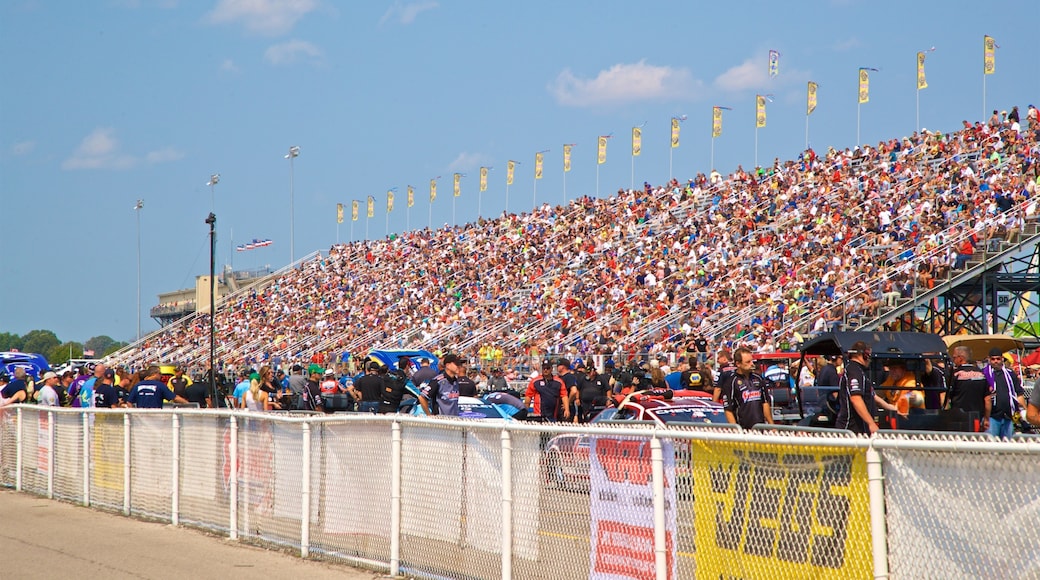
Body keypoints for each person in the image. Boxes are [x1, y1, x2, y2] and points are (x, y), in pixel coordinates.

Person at [721, 348, 774, 430]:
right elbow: (728, 410)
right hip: (743, 430)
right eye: (748, 362)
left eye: (752, 361)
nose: (752, 364)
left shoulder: (758, 378)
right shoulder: (731, 382)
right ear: (738, 364)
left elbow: (765, 403)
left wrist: (771, 426)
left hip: (760, 428)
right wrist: (735, 430)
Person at [835, 341, 881, 435]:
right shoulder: (854, 371)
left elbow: (873, 396)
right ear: (863, 355)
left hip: (859, 428)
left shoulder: (860, 371)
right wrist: (871, 423)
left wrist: (891, 407)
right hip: (850, 429)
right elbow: (855, 399)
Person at [983, 347, 1026, 438]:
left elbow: (1019, 394)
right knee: (991, 446)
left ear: (1002, 359)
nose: (996, 361)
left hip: (1008, 416)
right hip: (991, 417)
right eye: (993, 359)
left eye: (998, 359)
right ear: (989, 359)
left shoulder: (1010, 374)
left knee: (1007, 447)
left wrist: (1023, 412)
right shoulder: (984, 374)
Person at [947, 346, 992, 432]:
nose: (953, 360)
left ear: (960, 358)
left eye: (954, 357)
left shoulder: (954, 374)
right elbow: (988, 399)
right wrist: (986, 419)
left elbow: (947, 397)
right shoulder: (981, 374)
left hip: (958, 419)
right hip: (977, 419)